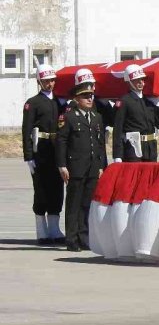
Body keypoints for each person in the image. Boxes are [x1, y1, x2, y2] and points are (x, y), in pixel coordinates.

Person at [55, 78, 107, 252]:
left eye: (91, 95)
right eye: (85, 96)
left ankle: (84, 237)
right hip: (75, 167)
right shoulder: (68, 117)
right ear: (77, 99)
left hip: (92, 167)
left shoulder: (97, 117)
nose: (90, 99)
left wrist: (101, 165)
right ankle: (71, 239)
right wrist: (62, 165)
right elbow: (61, 142)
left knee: (87, 204)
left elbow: (100, 144)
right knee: (74, 204)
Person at [21, 65, 66, 244]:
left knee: (57, 189)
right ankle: (41, 230)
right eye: (46, 81)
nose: (50, 84)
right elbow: (26, 130)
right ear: (39, 81)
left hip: (56, 150)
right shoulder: (33, 103)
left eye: (52, 80)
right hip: (40, 151)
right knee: (41, 189)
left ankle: (54, 228)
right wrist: (28, 156)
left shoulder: (59, 102)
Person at [112, 63, 159, 163]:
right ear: (129, 82)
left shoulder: (149, 101)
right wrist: (117, 155)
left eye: (142, 79)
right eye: (136, 80)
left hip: (150, 148)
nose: (141, 82)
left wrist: (158, 106)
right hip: (133, 148)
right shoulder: (124, 101)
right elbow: (117, 129)